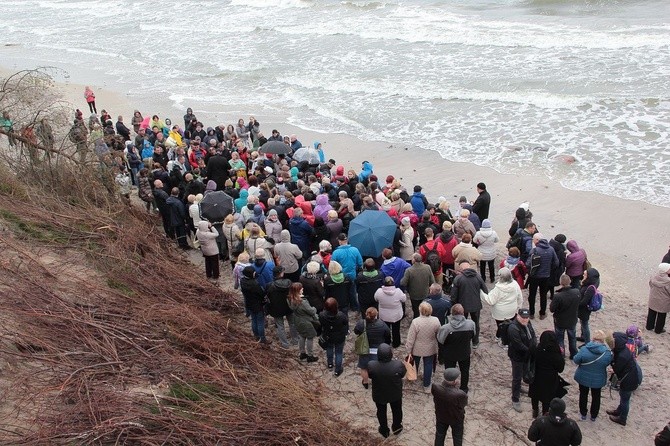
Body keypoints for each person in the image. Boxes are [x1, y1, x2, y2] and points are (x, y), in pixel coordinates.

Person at [368, 343, 406, 438]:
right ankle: (396, 428)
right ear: (390, 354)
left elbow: (370, 375)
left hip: (379, 393)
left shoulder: (372, 365)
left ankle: (384, 430)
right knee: (397, 410)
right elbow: (403, 374)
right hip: (395, 393)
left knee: (381, 411)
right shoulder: (398, 365)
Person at [572, 329, 611, 421]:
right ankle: (593, 415)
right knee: (596, 396)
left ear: (593, 338)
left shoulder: (584, 349)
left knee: (583, 394)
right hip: (598, 378)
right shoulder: (607, 353)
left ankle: (583, 413)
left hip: (583, 377)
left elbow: (576, 360)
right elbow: (607, 363)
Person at [606, 331, 642, 426]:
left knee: (625, 399)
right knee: (623, 398)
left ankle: (622, 419)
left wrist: (613, 365)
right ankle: (619, 411)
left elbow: (617, 369)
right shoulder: (623, 349)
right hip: (630, 376)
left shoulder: (622, 355)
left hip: (628, 380)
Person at [437, 304, 475, 394]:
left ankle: (449, 389)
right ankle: (464, 389)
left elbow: (440, 340)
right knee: (465, 371)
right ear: (463, 313)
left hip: (450, 354)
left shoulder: (445, 328)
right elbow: (473, 335)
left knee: (449, 372)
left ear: (452, 313)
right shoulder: (471, 324)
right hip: (464, 352)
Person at [481, 267, 523, 348]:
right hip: (512, 310)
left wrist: (481, 293)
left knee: (501, 326)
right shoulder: (515, 284)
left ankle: (503, 341)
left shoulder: (498, 289)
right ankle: (502, 338)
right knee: (509, 325)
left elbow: (490, 300)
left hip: (500, 313)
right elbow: (520, 297)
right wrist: (518, 308)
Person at [450, 261, 487, 348]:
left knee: (461, 323)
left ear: (461, 269)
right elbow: (485, 290)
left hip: (462, 306)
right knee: (476, 323)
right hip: (476, 305)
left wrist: (454, 304)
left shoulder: (458, 278)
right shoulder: (478, 277)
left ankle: (463, 341)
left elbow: (453, 295)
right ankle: (475, 342)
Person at [405, 302, 441, 391]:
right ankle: (426, 385)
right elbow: (439, 333)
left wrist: (408, 349)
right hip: (430, 347)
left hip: (417, 347)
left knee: (415, 362)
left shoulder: (416, 322)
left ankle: (414, 376)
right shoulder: (435, 320)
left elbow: (411, 338)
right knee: (428, 365)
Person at [529, 331, 565, 418]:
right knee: (547, 398)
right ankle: (545, 413)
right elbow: (560, 369)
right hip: (550, 379)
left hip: (536, 376)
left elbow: (530, 361)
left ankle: (535, 411)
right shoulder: (556, 354)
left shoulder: (536, 349)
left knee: (535, 395)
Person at [508, 308, 536, 413]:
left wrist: (534, 346)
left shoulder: (528, 324)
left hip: (526, 354)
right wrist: (530, 351)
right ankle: (515, 398)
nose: (525, 320)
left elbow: (533, 335)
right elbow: (518, 344)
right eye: (523, 318)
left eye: (526, 318)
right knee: (517, 376)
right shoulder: (513, 328)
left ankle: (519, 387)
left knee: (525, 371)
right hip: (517, 356)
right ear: (518, 316)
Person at [354, 307, 391, 389]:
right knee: (378, 368)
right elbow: (388, 334)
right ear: (376, 315)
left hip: (364, 349)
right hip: (378, 350)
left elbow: (356, 331)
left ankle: (366, 382)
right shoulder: (382, 324)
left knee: (364, 368)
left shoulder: (361, 323)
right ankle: (377, 383)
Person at [432, 367, 468, 446]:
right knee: (457, 438)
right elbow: (463, 404)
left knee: (439, 436)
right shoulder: (460, 394)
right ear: (455, 381)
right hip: (456, 419)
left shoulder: (435, 387)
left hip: (441, 416)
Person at [526, 233, 559, 320]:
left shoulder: (535, 250)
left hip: (534, 276)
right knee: (543, 295)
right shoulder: (551, 249)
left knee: (532, 295)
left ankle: (531, 313)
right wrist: (549, 269)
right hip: (546, 276)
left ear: (537, 240)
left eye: (533, 239)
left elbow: (528, 264)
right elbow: (556, 263)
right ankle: (542, 313)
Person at [266, 266, 298, 349]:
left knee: (280, 326)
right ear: (281, 273)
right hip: (288, 306)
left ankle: (285, 344)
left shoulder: (270, 285)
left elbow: (267, 296)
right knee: (292, 323)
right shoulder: (289, 282)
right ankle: (295, 340)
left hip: (276, 308)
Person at [330, 233, 363, 313]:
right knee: (352, 291)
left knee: (342, 292)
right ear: (347, 240)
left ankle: (344, 306)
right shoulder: (355, 250)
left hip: (341, 276)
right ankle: (354, 306)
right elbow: (360, 263)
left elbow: (332, 265)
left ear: (340, 241)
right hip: (352, 275)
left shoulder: (336, 252)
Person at [550, 274, 580, 359]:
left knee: (560, 339)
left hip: (560, 321)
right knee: (572, 337)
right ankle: (573, 353)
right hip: (572, 319)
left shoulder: (558, 296)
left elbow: (552, 309)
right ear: (570, 281)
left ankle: (561, 354)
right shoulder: (576, 292)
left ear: (560, 283)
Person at [239, 266, 271, 345]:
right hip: (257, 304)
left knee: (254, 320)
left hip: (249, 303)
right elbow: (261, 294)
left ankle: (256, 336)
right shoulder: (254, 284)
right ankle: (262, 339)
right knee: (260, 322)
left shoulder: (242, 281)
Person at [287, 282, 318, 362]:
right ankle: (310, 356)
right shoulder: (302, 302)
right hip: (306, 321)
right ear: (298, 290)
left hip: (297, 320)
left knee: (302, 336)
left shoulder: (290, 299)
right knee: (310, 337)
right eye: (301, 288)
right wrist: (314, 308)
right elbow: (311, 311)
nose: (303, 289)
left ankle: (302, 353)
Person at [319, 297, 349, 377]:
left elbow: (321, 324)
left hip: (328, 336)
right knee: (339, 352)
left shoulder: (322, 315)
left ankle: (330, 364)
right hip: (339, 336)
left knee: (329, 349)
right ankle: (337, 370)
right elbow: (346, 323)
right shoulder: (341, 315)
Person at [375, 277, 406, 349]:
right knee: (396, 329)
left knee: (386, 329)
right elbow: (404, 299)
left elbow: (375, 298)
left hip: (384, 315)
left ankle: (386, 342)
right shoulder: (398, 291)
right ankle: (396, 343)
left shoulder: (379, 291)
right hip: (396, 315)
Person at [401, 253, 435, 319]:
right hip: (425, 293)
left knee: (416, 311)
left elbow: (403, 283)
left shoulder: (409, 270)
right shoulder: (427, 267)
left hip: (414, 295)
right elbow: (432, 281)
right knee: (425, 309)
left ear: (414, 260)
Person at [577, 267, 600, 344]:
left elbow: (584, 302)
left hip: (584, 310)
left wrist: (575, 304)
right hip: (583, 309)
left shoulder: (590, 288)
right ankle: (583, 336)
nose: (583, 275)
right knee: (583, 323)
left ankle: (587, 342)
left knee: (585, 325)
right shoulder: (593, 281)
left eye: (585, 274)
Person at [647, 263, 670, 334]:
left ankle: (649, 326)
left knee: (651, 313)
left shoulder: (654, 276)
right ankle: (658, 330)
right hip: (663, 302)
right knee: (661, 316)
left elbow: (650, 284)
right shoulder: (668, 281)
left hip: (653, 299)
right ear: (666, 271)